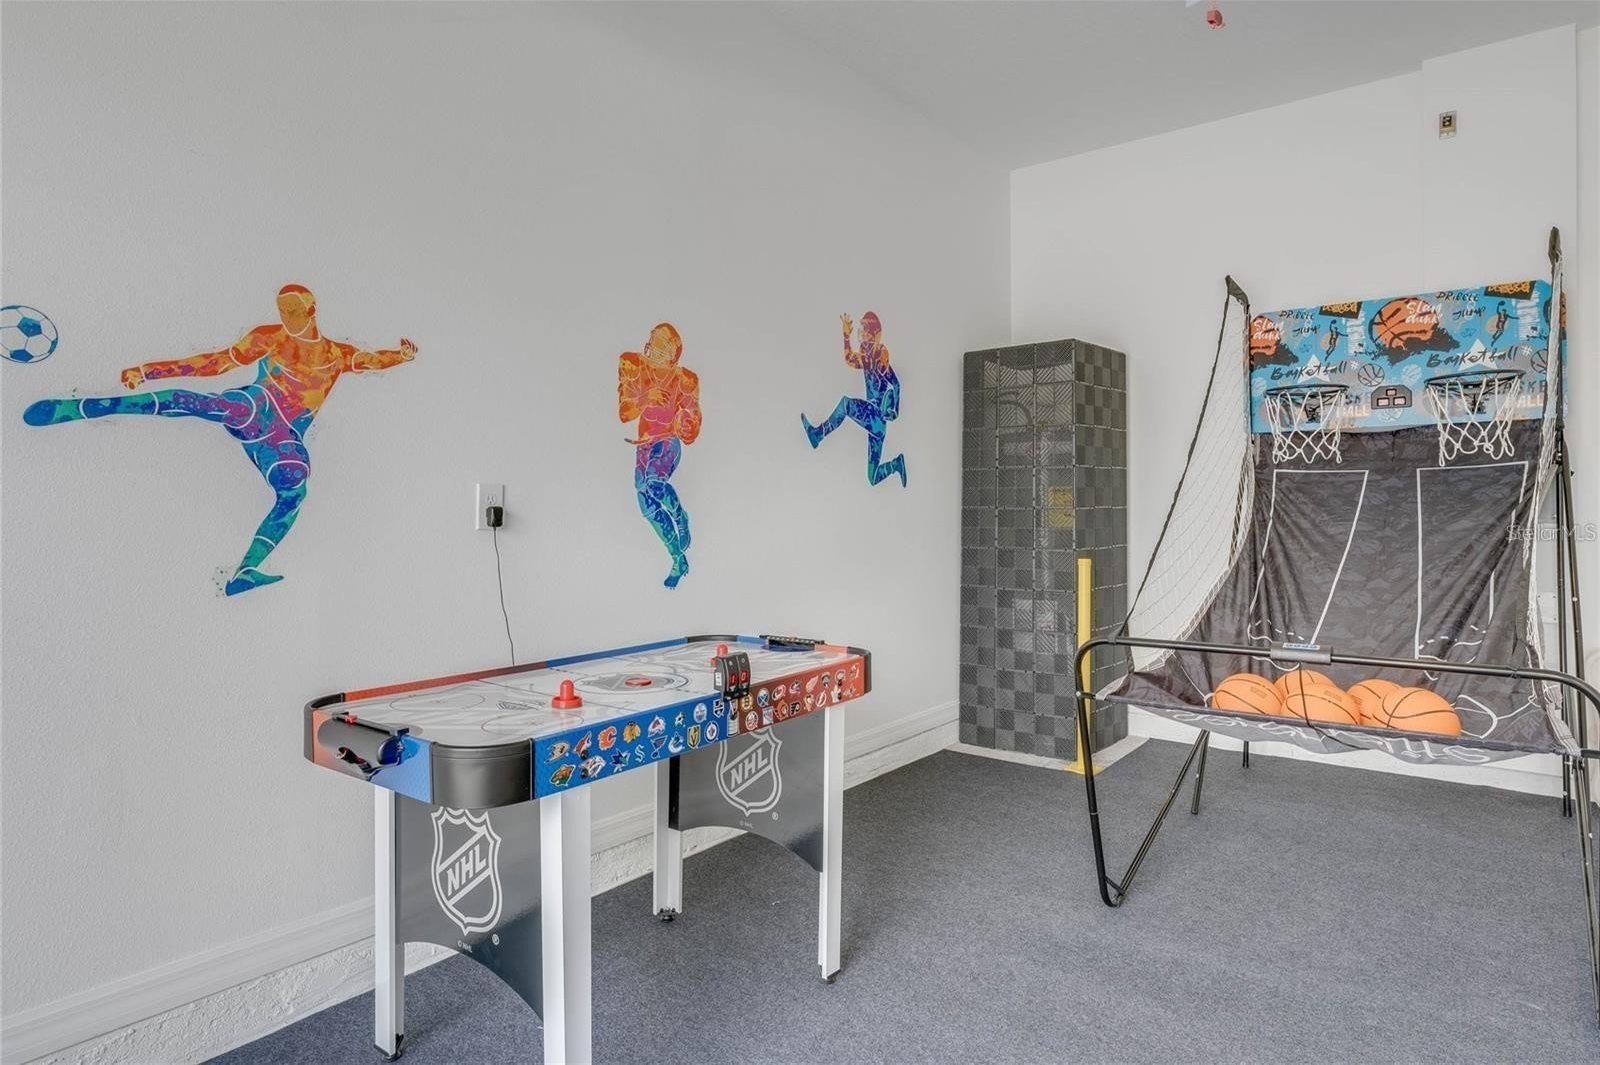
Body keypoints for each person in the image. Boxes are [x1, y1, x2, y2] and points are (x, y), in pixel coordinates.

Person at [23, 284, 414, 595]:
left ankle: (246, 570)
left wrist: (402, 355)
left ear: (312, 311)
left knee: (295, 488)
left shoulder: (337, 354)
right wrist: (148, 371)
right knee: (207, 404)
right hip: (259, 405)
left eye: (293, 311)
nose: (286, 317)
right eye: (282, 310)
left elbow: (372, 360)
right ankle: (84, 407)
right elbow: (215, 363)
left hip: (283, 434)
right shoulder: (271, 338)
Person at [618, 323, 700, 588]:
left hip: (667, 442)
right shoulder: (635, 368)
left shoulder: (684, 380)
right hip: (643, 445)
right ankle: (678, 559)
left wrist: (686, 423)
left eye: (658, 344)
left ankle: (679, 516)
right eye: (651, 340)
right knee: (646, 504)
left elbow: (692, 421)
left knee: (655, 482)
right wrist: (645, 398)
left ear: (671, 353)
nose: (650, 347)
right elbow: (624, 412)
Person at [802, 311, 906, 487]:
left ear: (872, 333)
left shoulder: (878, 354)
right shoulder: (867, 357)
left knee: (846, 404)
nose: (861, 333)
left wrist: (894, 409)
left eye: (863, 329)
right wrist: (846, 336)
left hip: (875, 415)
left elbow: (895, 383)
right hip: (877, 426)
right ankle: (896, 464)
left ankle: (818, 434)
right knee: (872, 477)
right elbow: (850, 359)